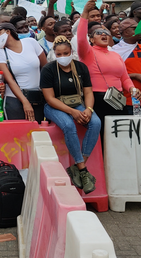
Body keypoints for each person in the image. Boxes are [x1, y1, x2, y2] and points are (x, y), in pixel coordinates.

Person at [40, 36, 99, 194]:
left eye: (66, 53)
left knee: (96, 123)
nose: (63, 57)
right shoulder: (48, 69)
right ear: (54, 54)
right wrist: (72, 112)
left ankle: (78, 166)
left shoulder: (80, 67)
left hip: (77, 103)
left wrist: (88, 109)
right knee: (68, 125)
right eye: (59, 54)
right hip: (55, 106)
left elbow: (88, 91)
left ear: (71, 52)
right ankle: (83, 169)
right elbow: (49, 98)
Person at [77, 0, 140, 121]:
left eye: (106, 32)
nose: (103, 34)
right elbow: (80, 38)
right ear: (91, 39)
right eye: (99, 33)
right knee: (101, 134)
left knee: (118, 134)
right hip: (96, 99)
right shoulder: (87, 53)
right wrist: (85, 13)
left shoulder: (115, 54)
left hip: (117, 99)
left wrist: (132, 89)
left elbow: (124, 78)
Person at [0, 22, 47, 121]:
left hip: (37, 98)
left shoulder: (31, 42)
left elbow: (45, 67)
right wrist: (24, 102)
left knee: (37, 133)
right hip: (14, 99)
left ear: (8, 32)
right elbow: (10, 80)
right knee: (18, 134)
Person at [111, 17, 141, 112]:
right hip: (128, 100)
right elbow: (112, 76)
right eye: (134, 28)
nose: (139, 30)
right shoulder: (114, 51)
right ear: (125, 32)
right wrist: (135, 76)